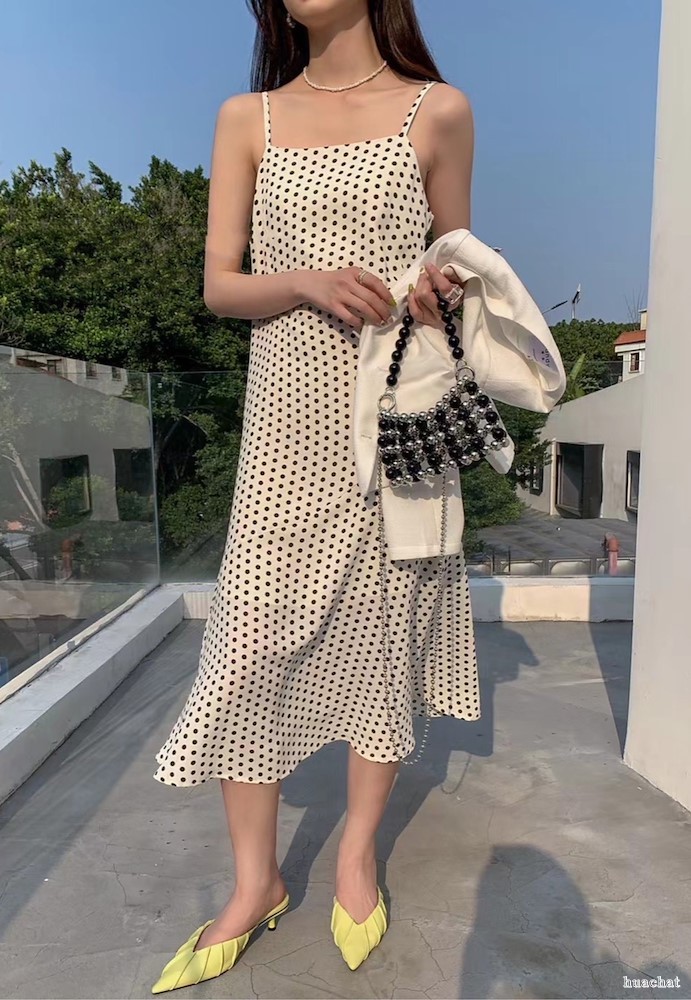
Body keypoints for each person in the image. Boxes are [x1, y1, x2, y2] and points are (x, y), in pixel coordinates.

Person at [151, 0, 477, 989]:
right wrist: (304, 282)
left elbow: (461, 267)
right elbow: (220, 284)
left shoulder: (439, 110)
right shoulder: (247, 117)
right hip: (285, 429)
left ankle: (353, 855)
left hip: (396, 424)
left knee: (381, 640)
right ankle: (255, 884)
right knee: (245, 647)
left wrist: (433, 293)